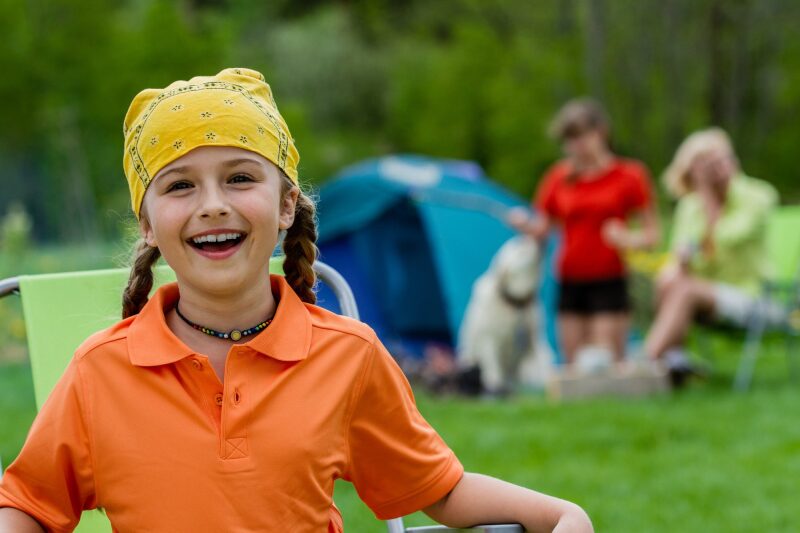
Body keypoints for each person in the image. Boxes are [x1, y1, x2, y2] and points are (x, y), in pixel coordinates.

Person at [0, 69, 592, 532]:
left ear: (286, 206)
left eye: (239, 178)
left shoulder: (347, 357)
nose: (213, 204)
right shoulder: (100, 371)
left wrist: (559, 514)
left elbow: (439, 488)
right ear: (148, 222)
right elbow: (28, 502)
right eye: (180, 185)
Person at [509, 98, 659, 368]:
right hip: (570, 279)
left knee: (603, 363)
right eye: (569, 140)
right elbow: (543, 229)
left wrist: (626, 238)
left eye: (580, 137)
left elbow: (652, 237)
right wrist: (524, 225)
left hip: (610, 278)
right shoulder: (558, 177)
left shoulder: (629, 175)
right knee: (573, 366)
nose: (575, 146)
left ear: (600, 132)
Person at [645, 127, 780, 385]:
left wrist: (708, 197)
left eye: (721, 159)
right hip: (704, 295)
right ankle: (672, 361)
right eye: (706, 164)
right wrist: (679, 264)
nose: (716, 169)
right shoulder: (689, 206)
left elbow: (723, 239)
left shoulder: (759, 196)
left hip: (754, 298)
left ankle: (647, 362)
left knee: (685, 290)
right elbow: (681, 255)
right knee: (667, 279)